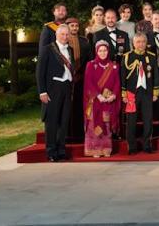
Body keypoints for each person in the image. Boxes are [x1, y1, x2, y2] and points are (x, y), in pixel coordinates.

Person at [37, 24, 75, 161]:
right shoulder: (47, 49)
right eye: (62, 34)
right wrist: (42, 92)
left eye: (67, 34)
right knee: (52, 122)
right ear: (56, 35)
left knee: (64, 121)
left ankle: (61, 150)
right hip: (53, 89)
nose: (65, 37)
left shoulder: (70, 49)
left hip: (66, 88)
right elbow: (40, 72)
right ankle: (51, 152)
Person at [121, 33, 159, 154]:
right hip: (132, 93)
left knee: (148, 119)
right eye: (138, 42)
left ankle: (146, 144)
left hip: (147, 92)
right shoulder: (127, 57)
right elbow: (122, 76)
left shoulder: (152, 56)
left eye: (143, 42)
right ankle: (132, 146)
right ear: (133, 43)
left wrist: (155, 92)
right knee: (131, 120)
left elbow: (156, 76)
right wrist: (124, 94)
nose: (140, 44)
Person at [82, 40, 121, 157]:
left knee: (106, 125)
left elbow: (117, 83)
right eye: (100, 51)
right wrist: (98, 96)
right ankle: (94, 150)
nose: (103, 53)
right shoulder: (91, 64)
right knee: (94, 125)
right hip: (95, 101)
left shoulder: (114, 66)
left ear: (108, 51)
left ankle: (106, 149)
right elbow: (89, 82)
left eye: (105, 50)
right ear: (96, 51)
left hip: (108, 101)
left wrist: (114, 95)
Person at [65, 17, 91, 141]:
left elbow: (89, 59)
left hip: (81, 78)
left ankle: (79, 134)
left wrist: (81, 72)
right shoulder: (63, 41)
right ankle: (67, 135)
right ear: (67, 27)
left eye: (76, 26)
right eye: (72, 26)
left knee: (80, 106)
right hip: (67, 78)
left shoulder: (84, 41)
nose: (75, 28)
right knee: (67, 106)